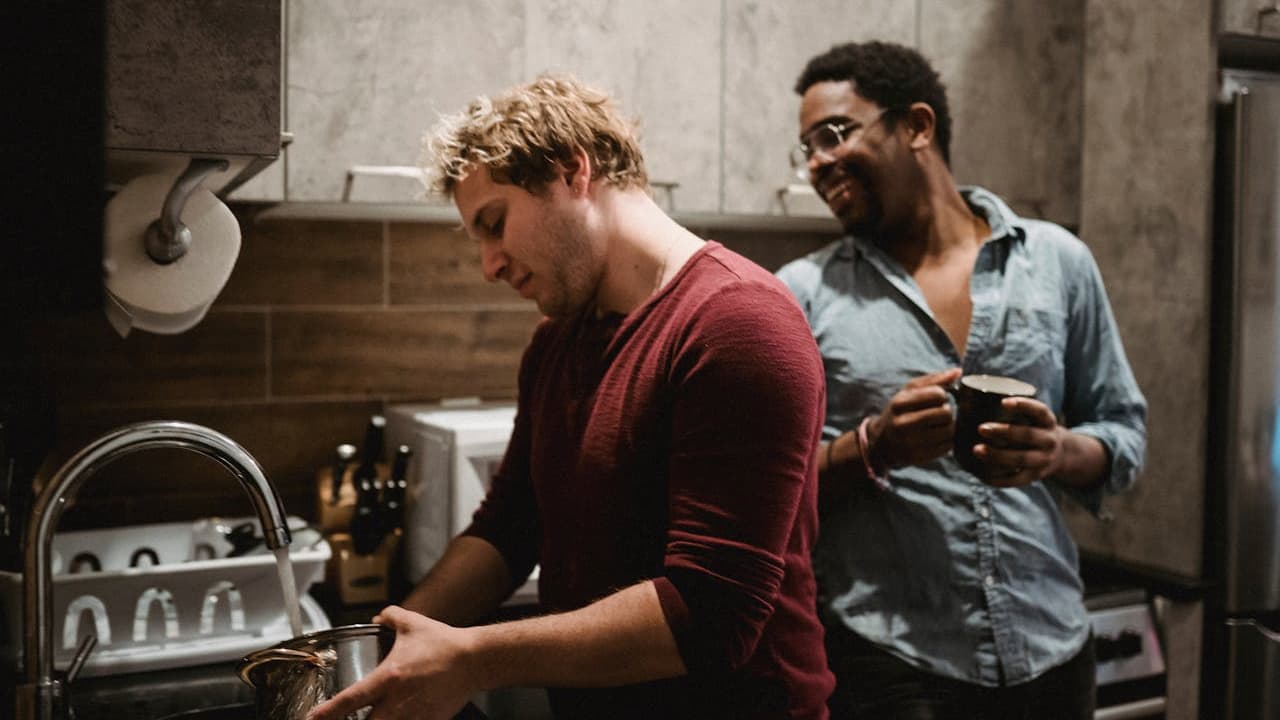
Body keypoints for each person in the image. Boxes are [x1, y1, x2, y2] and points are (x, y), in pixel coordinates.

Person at [309, 75, 835, 720]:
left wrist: (473, 657)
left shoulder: (738, 324)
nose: (490, 265)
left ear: (571, 170)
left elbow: (710, 613)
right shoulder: (558, 342)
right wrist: (386, 647)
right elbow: (509, 527)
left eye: (495, 224)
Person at [776, 41, 1147, 719]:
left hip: (1052, 649)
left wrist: (1057, 451)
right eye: (807, 149)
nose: (818, 162)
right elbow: (773, 489)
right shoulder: (799, 295)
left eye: (834, 133)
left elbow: (1124, 435)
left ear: (917, 126)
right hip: (890, 659)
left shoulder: (1058, 262)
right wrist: (873, 446)